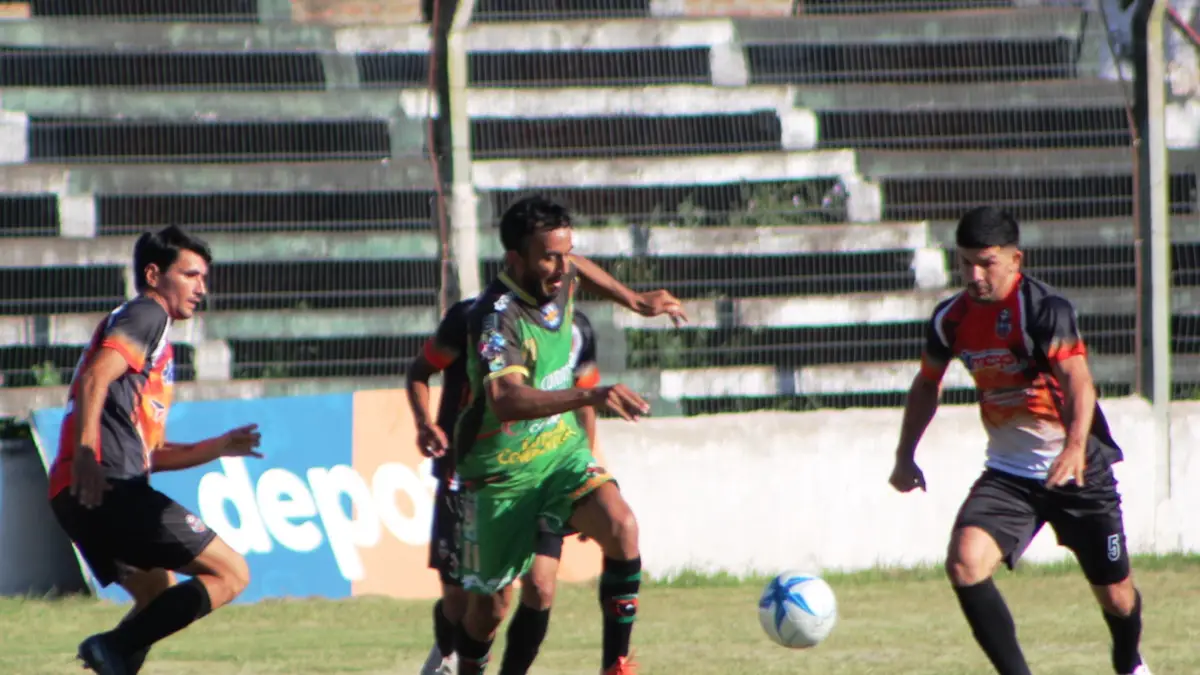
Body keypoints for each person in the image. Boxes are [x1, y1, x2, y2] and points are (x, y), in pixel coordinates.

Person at [888, 206, 1150, 675]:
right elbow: (927, 384)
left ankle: (1129, 661)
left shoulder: (1044, 309)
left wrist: (1074, 447)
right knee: (965, 563)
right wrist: (905, 455)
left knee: (1117, 597)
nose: (974, 275)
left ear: (1015, 259)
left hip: (1078, 473)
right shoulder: (950, 318)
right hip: (1009, 475)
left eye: (986, 263)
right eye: (965, 262)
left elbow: (1078, 382)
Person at [451, 195, 685, 675]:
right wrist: (590, 395)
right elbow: (506, 399)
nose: (563, 268)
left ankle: (615, 666)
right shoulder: (495, 317)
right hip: (500, 473)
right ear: (515, 258)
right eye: (549, 257)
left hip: (560, 453)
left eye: (566, 253)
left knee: (621, 526)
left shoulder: (559, 273)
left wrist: (634, 300)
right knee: (491, 610)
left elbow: (578, 267)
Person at [46, 225, 263, 675]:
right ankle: (109, 647)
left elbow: (151, 455)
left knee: (156, 594)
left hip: (74, 493)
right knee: (231, 573)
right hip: (107, 485)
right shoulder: (148, 314)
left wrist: (218, 447)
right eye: (190, 275)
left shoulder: (152, 346)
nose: (201, 288)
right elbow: (94, 377)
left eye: (203, 278)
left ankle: (114, 657)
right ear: (153, 275)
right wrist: (87, 452)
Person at [409, 297, 604, 675]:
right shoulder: (470, 318)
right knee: (466, 602)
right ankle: (446, 657)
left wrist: (584, 477)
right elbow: (421, 370)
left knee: (541, 587)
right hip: (470, 474)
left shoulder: (574, 326)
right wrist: (424, 424)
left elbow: (584, 403)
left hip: (544, 473)